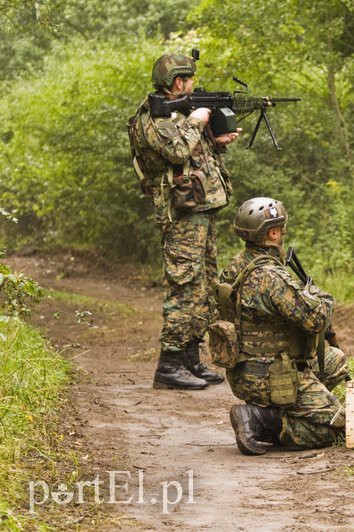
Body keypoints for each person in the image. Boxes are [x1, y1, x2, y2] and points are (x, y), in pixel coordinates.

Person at [128, 53, 240, 390]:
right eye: (189, 80)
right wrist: (198, 121)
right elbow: (175, 152)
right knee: (183, 286)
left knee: (203, 286)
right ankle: (168, 365)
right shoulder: (153, 118)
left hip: (199, 209)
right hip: (181, 213)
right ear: (179, 83)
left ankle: (191, 359)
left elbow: (190, 156)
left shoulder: (178, 113)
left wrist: (215, 141)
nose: (192, 85)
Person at [216, 197, 349, 454]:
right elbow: (317, 320)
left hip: (243, 373)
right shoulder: (272, 277)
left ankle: (281, 408)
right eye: (282, 229)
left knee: (335, 361)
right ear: (273, 233)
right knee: (339, 427)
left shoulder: (234, 268)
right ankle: (262, 420)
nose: (283, 235)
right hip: (272, 377)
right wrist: (322, 297)